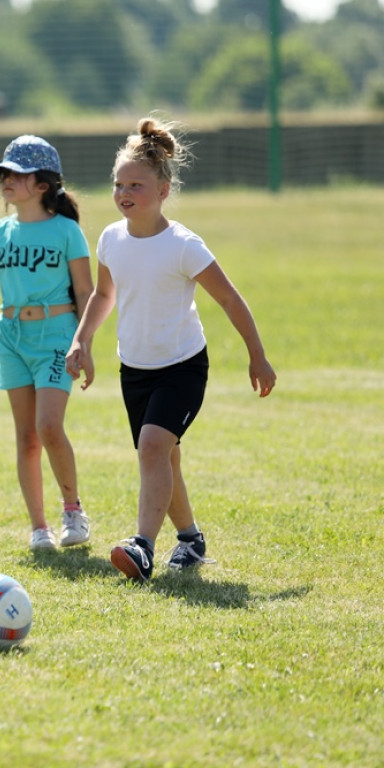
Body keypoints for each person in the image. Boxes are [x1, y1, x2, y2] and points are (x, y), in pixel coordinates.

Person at [66, 117, 276, 582]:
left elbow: (229, 298)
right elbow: (104, 296)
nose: (124, 193)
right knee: (164, 456)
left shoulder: (183, 245)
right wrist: (83, 340)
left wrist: (256, 355)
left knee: (153, 447)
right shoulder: (110, 239)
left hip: (182, 366)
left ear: (163, 190)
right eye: (118, 184)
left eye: (136, 185)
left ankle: (141, 545)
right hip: (134, 368)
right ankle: (191, 540)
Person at [0, 135, 94, 552]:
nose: (6, 180)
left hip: (56, 334)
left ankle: (72, 511)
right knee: (26, 436)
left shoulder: (67, 231)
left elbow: (86, 291)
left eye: (18, 174)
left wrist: (84, 343)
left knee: (49, 426)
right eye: (4, 174)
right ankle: (39, 528)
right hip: (9, 337)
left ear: (43, 184)